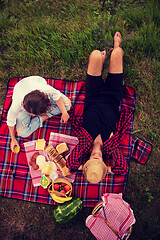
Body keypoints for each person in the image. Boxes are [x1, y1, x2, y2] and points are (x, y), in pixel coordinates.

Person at [66, 32, 133, 183]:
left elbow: (70, 164)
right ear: (103, 163)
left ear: (88, 160)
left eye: (92, 162)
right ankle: (115, 47)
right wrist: (107, 170)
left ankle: (101, 62)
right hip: (113, 95)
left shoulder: (84, 144)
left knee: (95, 55)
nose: (96, 159)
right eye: (99, 163)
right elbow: (122, 169)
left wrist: (83, 167)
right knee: (117, 53)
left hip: (93, 94)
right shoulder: (111, 148)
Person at [7, 76, 71, 152]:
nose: (33, 116)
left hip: (36, 84)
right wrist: (13, 139)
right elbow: (10, 122)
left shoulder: (46, 90)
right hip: (21, 88)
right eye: (32, 114)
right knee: (22, 133)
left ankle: (44, 116)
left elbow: (57, 97)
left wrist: (64, 112)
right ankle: (43, 117)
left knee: (67, 105)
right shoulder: (16, 106)